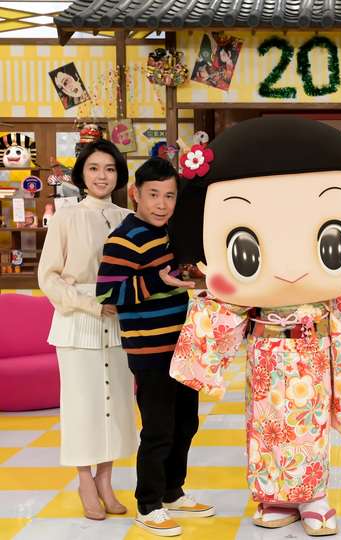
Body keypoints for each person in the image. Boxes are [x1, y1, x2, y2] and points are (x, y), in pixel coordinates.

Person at [167, 117, 341, 537]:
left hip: (313, 352)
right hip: (265, 351)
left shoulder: (330, 294)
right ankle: (273, 495)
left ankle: (313, 496)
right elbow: (224, 311)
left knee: (311, 427)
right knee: (266, 425)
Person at [96, 158, 214, 537]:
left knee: (187, 423)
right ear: (136, 194)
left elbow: (176, 276)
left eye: (169, 196)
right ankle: (148, 505)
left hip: (182, 347)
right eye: (153, 195)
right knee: (159, 428)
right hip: (149, 350)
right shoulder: (124, 238)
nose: (162, 204)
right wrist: (157, 280)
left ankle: (172, 491)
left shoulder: (170, 233)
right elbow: (108, 294)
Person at [38, 139, 137, 521]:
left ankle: (105, 481)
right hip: (77, 323)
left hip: (119, 323)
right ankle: (84, 481)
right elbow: (48, 277)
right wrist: (90, 305)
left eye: (109, 169)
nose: (102, 176)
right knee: (83, 405)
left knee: (115, 404)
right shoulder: (66, 218)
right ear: (81, 173)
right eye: (94, 168)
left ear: (118, 175)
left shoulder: (128, 218)